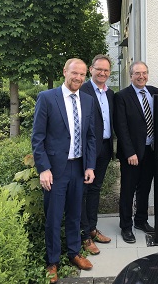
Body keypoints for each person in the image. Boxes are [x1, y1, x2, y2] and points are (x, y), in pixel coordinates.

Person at [32, 58, 96, 283]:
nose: (78, 78)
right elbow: (37, 138)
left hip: (79, 167)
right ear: (64, 72)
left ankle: (74, 253)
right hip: (55, 170)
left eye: (82, 74)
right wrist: (44, 169)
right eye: (74, 73)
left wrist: (90, 165)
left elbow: (90, 136)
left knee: (75, 214)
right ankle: (52, 262)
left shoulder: (88, 100)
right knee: (54, 216)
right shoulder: (47, 98)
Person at [114, 61, 158, 243]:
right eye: (137, 73)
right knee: (128, 190)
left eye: (144, 73)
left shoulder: (154, 92)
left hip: (151, 150)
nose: (141, 76)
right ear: (131, 76)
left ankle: (141, 221)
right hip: (132, 154)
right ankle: (126, 227)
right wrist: (129, 152)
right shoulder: (122, 96)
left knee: (145, 188)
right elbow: (121, 126)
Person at [79, 54, 114, 255]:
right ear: (91, 69)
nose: (102, 73)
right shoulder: (82, 90)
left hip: (105, 148)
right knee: (83, 192)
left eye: (106, 70)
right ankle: (84, 235)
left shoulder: (110, 94)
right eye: (98, 69)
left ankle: (92, 228)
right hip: (87, 150)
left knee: (95, 189)